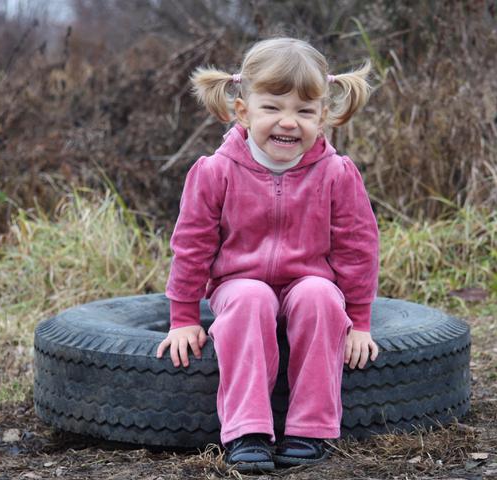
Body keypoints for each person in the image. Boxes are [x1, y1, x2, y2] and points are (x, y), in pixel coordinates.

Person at [156, 37, 379, 472]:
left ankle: (310, 428)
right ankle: (248, 431)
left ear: (323, 117)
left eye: (304, 111)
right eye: (273, 108)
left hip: (309, 281)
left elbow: (357, 248)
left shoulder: (336, 173)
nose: (288, 122)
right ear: (244, 111)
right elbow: (192, 246)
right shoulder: (216, 171)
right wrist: (183, 317)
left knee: (320, 297)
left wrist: (360, 321)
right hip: (238, 283)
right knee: (250, 298)